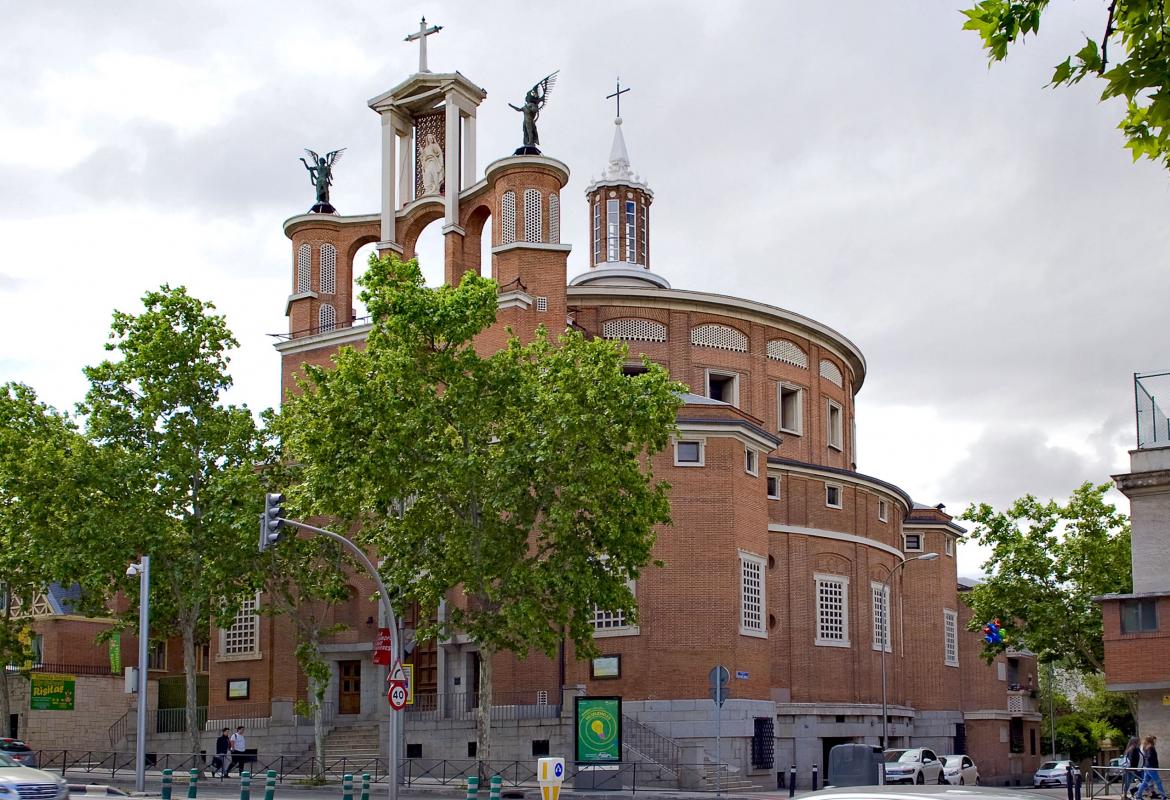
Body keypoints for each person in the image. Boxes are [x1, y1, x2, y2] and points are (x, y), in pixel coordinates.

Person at [1136, 735, 1165, 800]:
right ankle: (1164, 796)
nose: (1155, 741)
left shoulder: (1147, 747)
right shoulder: (1151, 747)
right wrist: (1154, 766)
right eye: (1154, 740)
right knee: (1158, 782)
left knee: (1145, 782)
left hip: (1147, 767)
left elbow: (1147, 757)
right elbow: (1149, 757)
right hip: (1151, 768)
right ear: (1151, 740)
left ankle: (1138, 795)